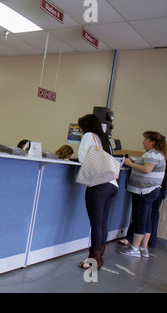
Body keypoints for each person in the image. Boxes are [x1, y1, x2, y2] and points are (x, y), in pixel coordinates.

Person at [77, 114, 119, 270]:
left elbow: (83, 158)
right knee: (102, 223)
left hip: (98, 185)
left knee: (96, 224)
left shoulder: (89, 136)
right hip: (112, 184)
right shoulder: (105, 140)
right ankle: (99, 258)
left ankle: (93, 261)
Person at [118, 131, 166, 258]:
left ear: (152, 142)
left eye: (145, 139)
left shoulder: (153, 154)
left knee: (140, 218)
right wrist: (134, 161)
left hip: (144, 191)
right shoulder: (157, 154)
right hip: (150, 191)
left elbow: (146, 169)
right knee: (147, 218)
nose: (143, 142)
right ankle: (143, 247)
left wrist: (129, 163)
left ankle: (135, 248)